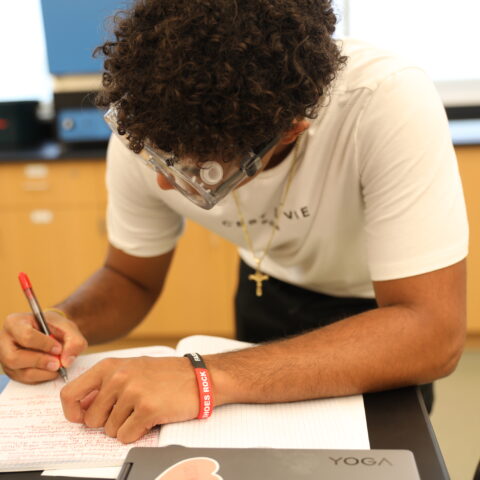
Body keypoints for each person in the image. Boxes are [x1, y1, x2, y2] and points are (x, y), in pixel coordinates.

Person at [0, 0, 468, 444]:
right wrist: (63, 321)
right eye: (161, 159)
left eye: (202, 171)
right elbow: (129, 277)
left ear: (289, 130)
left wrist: (203, 375)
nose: (166, 185)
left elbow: (430, 332)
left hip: (382, 318)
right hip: (266, 292)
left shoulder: (383, 99)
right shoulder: (151, 122)